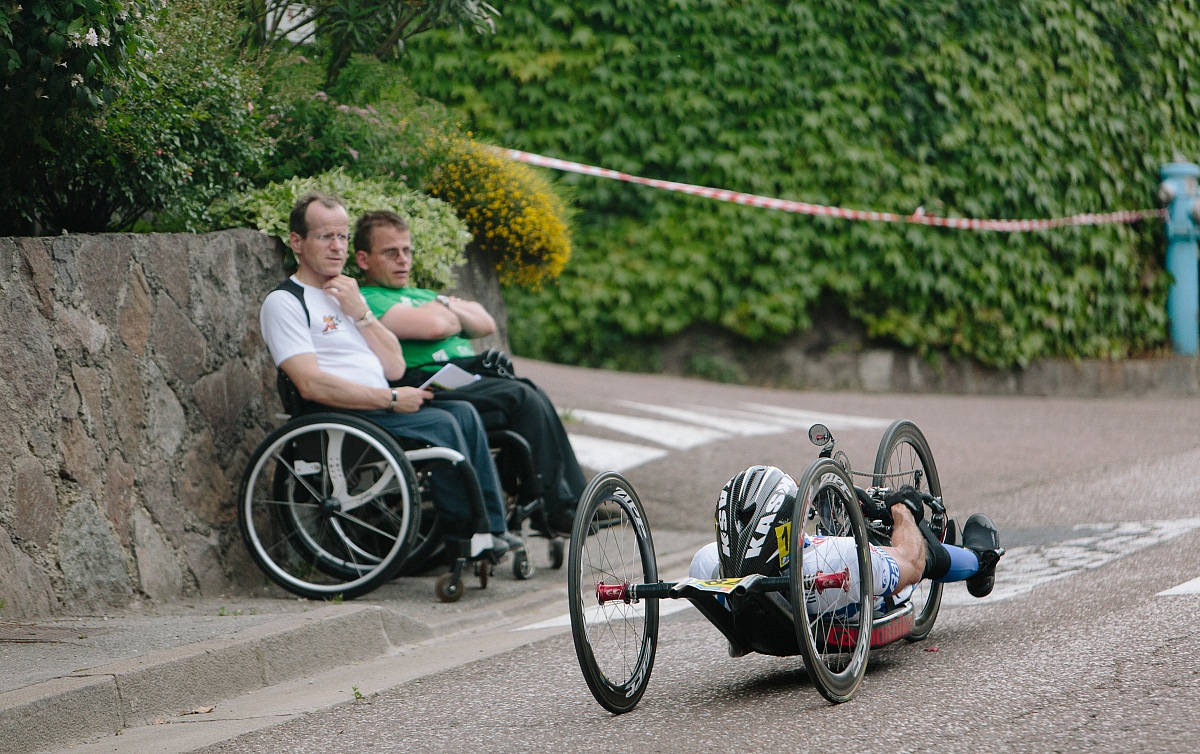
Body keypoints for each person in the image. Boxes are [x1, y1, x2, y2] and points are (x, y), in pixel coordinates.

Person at [258, 192, 522, 555]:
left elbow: (394, 366)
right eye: (325, 236)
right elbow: (309, 383)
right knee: (444, 424)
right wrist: (393, 398)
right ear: (297, 242)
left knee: (464, 413)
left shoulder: (347, 294)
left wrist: (360, 312)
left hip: (375, 408)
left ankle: (491, 529)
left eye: (342, 236)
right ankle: (467, 538)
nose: (337, 247)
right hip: (340, 416)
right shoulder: (285, 301)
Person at [352, 209, 587, 536]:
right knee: (521, 397)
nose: (403, 260)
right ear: (363, 260)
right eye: (391, 252)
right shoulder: (367, 298)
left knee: (532, 392)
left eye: (407, 251)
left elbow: (484, 322)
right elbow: (435, 327)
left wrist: (442, 309)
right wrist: (450, 311)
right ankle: (555, 509)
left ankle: (575, 502)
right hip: (427, 381)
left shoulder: (421, 295)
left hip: (464, 374)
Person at [689, 471, 1003, 615]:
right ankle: (980, 560)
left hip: (796, 572)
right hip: (851, 578)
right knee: (924, 555)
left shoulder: (705, 565)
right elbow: (912, 561)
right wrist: (903, 511)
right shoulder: (848, 560)